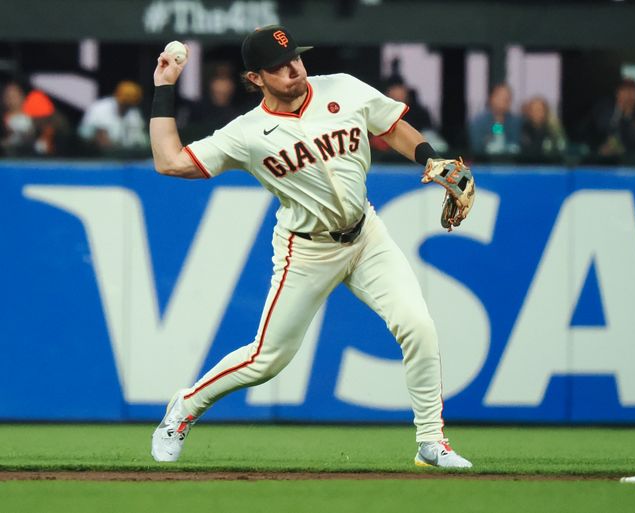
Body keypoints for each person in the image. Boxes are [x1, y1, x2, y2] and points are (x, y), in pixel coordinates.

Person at [148, 24, 472, 469]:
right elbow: (169, 162)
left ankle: (431, 442)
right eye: (278, 67)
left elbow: (393, 126)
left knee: (418, 325)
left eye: (295, 58)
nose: (293, 69)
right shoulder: (247, 133)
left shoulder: (342, 88)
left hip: (366, 234)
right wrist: (164, 88)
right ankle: (183, 408)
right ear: (256, 78)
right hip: (307, 249)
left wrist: (429, 157)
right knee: (266, 360)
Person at [585, 78, 635, 156]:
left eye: (632, 91)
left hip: (634, 160)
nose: (629, 95)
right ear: (617, 93)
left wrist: (627, 116)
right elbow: (593, 134)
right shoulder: (603, 110)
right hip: (604, 160)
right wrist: (600, 148)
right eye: (625, 91)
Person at [78, 80, 148, 153]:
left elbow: (142, 141)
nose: (127, 105)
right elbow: (96, 136)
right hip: (92, 153)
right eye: (125, 102)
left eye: (130, 103)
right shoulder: (100, 108)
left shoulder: (134, 114)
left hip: (123, 155)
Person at [468, 83, 522, 155]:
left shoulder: (516, 122)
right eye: (501, 97)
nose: (506, 101)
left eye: (508, 98)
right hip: (484, 163)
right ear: (492, 98)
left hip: (511, 163)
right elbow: (476, 147)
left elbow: (517, 145)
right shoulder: (478, 122)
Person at [1, 81, 35, 156]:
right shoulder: (2, 121)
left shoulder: (35, 119)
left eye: (14, 96)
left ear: (22, 96)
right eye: (8, 96)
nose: (11, 100)